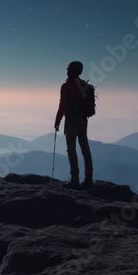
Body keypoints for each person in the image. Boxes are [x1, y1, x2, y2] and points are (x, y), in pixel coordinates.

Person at [54, 60, 93, 189]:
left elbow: (62, 105)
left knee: (71, 148)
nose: (66, 70)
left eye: (68, 68)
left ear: (71, 70)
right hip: (83, 120)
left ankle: (74, 180)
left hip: (71, 121)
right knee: (85, 147)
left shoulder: (66, 86)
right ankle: (88, 179)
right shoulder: (83, 85)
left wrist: (57, 121)